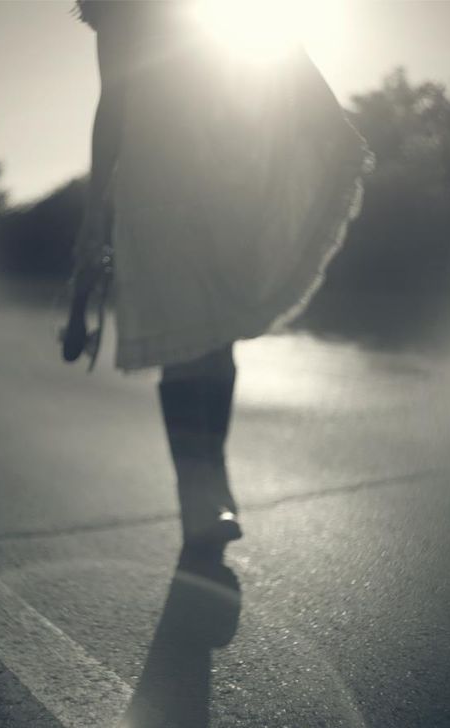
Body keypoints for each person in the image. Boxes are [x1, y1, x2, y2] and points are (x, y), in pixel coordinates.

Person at [62, 0, 374, 551]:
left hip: (225, 183)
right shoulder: (121, 14)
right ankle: (197, 494)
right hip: (155, 194)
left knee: (216, 341)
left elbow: (276, 45)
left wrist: (326, 114)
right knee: (184, 342)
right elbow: (112, 106)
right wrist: (93, 210)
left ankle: (212, 474)